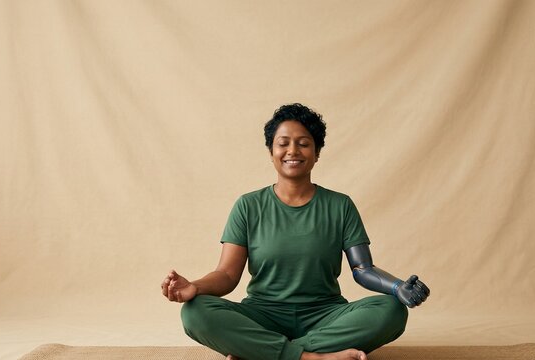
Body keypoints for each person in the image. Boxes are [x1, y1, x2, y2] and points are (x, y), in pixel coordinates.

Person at [161, 103, 430, 360]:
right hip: (263, 314)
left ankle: (263, 352)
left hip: (325, 315)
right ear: (271, 151)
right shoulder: (248, 205)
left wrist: (397, 287)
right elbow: (227, 275)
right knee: (195, 312)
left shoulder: (340, 205)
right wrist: (194, 287)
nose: (293, 150)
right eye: (283, 143)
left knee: (392, 310)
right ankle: (314, 357)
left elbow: (362, 269)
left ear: (317, 153)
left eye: (303, 143)